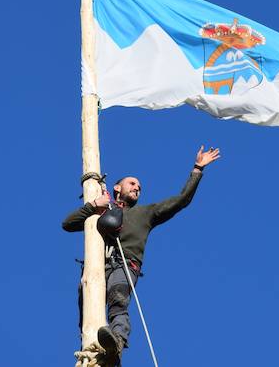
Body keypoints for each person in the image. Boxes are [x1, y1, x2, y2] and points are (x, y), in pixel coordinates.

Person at [62, 145, 221, 360]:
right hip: (94, 269)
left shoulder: (146, 213)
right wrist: (93, 206)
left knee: (118, 301)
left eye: (139, 187)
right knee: (87, 316)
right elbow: (67, 224)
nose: (137, 188)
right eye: (132, 183)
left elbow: (180, 200)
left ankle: (116, 342)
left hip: (124, 264)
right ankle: (95, 354)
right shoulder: (101, 212)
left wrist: (197, 169)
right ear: (117, 188)